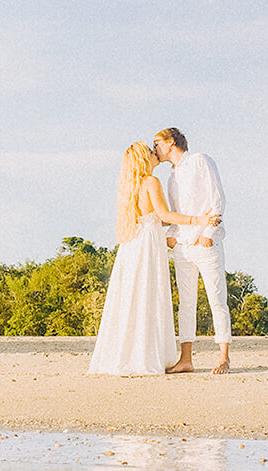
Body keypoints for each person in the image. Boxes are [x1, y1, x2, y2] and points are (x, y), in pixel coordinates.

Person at [89, 142, 222, 376]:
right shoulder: (151, 182)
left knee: (131, 298)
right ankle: (147, 355)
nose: (154, 153)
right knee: (148, 295)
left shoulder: (129, 186)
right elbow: (164, 215)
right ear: (143, 159)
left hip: (131, 245)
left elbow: (152, 216)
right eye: (150, 152)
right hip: (148, 244)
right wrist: (197, 220)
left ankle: (127, 354)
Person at [153, 128, 230, 374]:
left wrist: (207, 235)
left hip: (205, 245)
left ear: (170, 142)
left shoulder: (200, 161)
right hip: (183, 248)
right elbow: (175, 215)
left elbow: (217, 200)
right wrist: (172, 238)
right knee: (186, 304)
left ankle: (224, 358)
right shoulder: (171, 177)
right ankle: (185, 359)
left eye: (157, 143)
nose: (154, 149)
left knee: (217, 300)